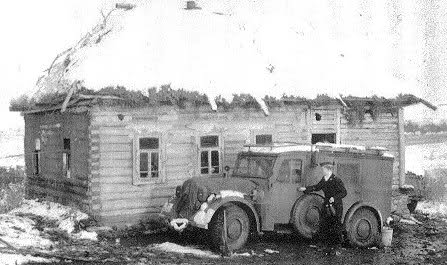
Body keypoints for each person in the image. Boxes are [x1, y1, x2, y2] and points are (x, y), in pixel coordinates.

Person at [299, 162, 347, 255]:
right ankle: (326, 247)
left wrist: (334, 198)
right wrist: (305, 189)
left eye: (323, 169)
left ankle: (336, 248)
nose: (322, 170)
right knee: (325, 226)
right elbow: (317, 187)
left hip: (336, 207)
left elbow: (344, 192)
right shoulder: (324, 179)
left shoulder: (336, 180)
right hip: (327, 205)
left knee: (335, 227)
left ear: (328, 169)